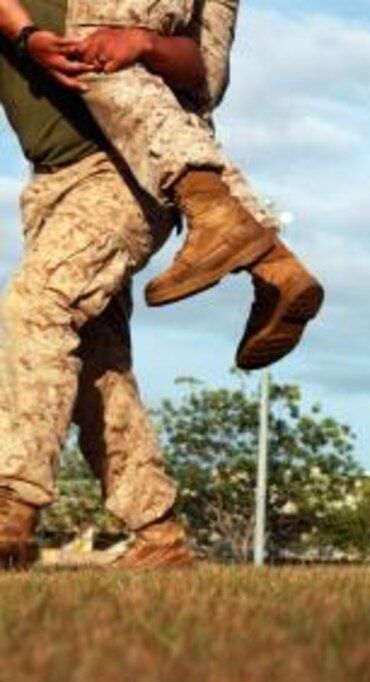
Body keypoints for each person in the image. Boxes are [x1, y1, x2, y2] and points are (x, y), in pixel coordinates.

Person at [0, 0, 211, 568]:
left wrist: (142, 44)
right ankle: (158, 535)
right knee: (97, 362)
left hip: (124, 170)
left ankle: (11, 507)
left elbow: (202, 70)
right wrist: (25, 40)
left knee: (38, 306)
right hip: (48, 184)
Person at [0, 0, 323, 370]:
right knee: (97, 356)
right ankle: (272, 264)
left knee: (97, 38)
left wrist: (27, 37)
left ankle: (218, 217)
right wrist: (145, 43)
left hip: (119, 173)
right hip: (115, 163)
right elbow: (198, 75)